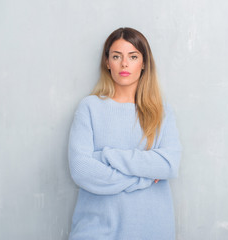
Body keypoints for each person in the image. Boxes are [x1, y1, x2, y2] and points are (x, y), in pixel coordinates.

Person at [67, 27, 182, 240]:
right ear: (107, 62)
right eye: (116, 56)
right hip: (96, 229)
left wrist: (105, 156)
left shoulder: (161, 111)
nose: (124, 64)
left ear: (144, 63)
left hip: (152, 228)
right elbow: (81, 170)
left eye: (133, 56)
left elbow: (168, 164)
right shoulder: (89, 107)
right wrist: (144, 177)